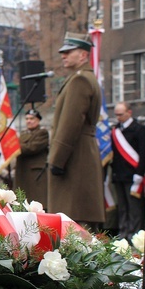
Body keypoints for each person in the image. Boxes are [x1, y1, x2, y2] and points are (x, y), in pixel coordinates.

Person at [48, 32, 105, 231]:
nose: (63, 55)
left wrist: (56, 159)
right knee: (78, 225)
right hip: (81, 153)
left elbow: (69, 125)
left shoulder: (79, 81)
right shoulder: (84, 78)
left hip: (74, 158)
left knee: (73, 226)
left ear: (83, 55)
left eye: (68, 52)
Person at [111, 102, 145, 239]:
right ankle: (123, 233)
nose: (118, 118)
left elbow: (144, 153)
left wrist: (140, 173)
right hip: (119, 175)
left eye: (120, 114)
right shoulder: (115, 130)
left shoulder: (139, 130)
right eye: (116, 115)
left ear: (129, 112)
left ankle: (134, 235)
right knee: (122, 207)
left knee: (134, 208)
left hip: (133, 176)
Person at [14, 109, 49, 206]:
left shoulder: (42, 132)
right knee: (22, 200)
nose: (28, 121)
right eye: (27, 119)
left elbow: (32, 148)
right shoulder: (23, 133)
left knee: (37, 200)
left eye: (32, 118)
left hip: (35, 174)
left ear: (38, 120)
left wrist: (14, 147)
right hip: (22, 171)